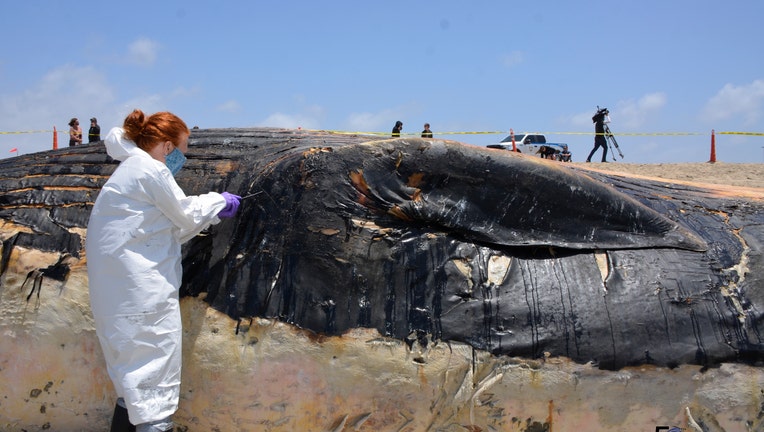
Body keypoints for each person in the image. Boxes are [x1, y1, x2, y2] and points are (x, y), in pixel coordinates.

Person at [86, 109, 242, 432]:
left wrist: (211, 214)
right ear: (167, 147)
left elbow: (165, 230)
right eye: (182, 152)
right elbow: (183, 214)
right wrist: (218, 201)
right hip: (144, 303)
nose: (181, 161)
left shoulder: (131, 171)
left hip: (117, 302)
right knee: (155, 400)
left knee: (132, 393)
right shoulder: (150, 172)